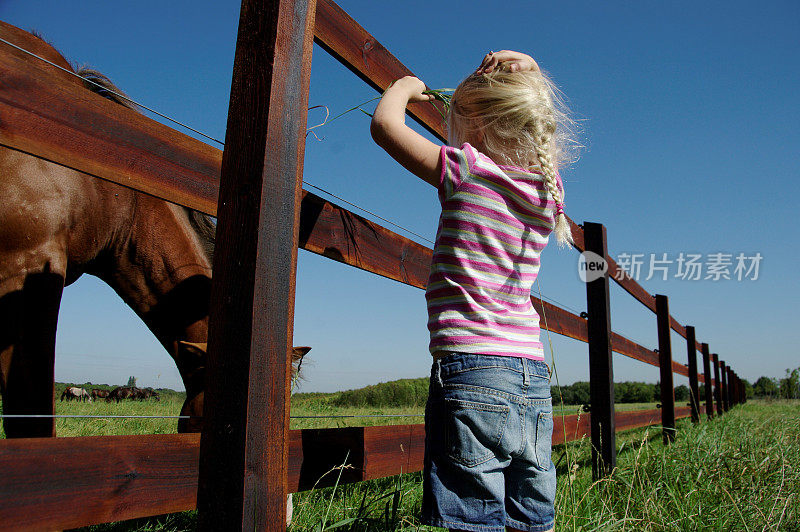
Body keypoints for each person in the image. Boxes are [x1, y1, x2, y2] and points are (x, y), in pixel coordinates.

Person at [371, 50, 576, 532]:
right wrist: (528, 66)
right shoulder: (549, 194)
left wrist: (403, 88)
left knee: (471, 514)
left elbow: (385, 128)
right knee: (531, 509)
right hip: (531, 373)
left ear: (478, 124)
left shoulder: (467, 169)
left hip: (471, 367)